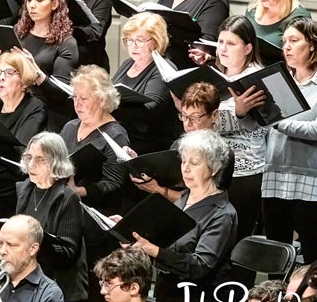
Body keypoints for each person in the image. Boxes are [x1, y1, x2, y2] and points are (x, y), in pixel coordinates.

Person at [132, 130, 237, 302]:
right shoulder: (183, 199)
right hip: (169, 293)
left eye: (195, 163)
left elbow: (200, 265)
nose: (186, 168)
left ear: (215, 168)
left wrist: (154, 250)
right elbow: (164, 240)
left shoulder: (222, 213)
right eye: (184, 161)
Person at [60, 64, 133, 302]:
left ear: (101, 99)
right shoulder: (70, 127)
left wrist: (77, 190)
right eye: (75, 98)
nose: (77, 104)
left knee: (92, 294)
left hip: (97, 225)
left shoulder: (116, 133)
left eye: (84, 98)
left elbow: (114, 183)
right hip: (67, 219)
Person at [242, 16, 317, 264]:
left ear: (313, 46)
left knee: (311, 257)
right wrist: (244, 111)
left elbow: (315, 130)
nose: (286, 47)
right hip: (274, 173)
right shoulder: (280, 81)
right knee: (275, 255)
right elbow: (263, 126)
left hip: (308, 177)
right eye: (284, 41)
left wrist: (277, 122)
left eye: (294, 41)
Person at [15, 132, 87, 302]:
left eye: (40, 159)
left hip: (62, 292)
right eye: (29, 157)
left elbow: (67, 252)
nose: (31, 165)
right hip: (30, 286)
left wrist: (35, 241)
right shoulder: (24, 190)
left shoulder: (68, 197)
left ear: (56, 162)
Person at [0, 0, 78, 131]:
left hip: (47, 115)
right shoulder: (18, 33)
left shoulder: (67, 43)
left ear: (55, 4)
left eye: (39, 0)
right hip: (14, 106)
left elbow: (61, 95)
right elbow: (2, 77)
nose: (32, 5)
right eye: (29, 0)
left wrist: (35, 71)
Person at [212, 15, 267, 242]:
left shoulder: (256, 78)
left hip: (245, 172)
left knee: (237, 241)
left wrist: (237, 114)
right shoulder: (216, 75)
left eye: (231, 43)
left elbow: (263, 126)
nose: (223, 49)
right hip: (217, 168)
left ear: (247, 48)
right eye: (221, 42)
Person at [134, 82, 235, 202]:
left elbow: (205, 201)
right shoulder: (177, 145)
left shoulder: (223, 155)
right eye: (184, 116)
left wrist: (160, 191)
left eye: (195, 118)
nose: (188, 124)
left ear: (213, 116)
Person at [0, 51, 46, 218]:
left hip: (13, 183)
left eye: (9, 73)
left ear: (24, 80)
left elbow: (21, 152)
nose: (1, 78)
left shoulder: (34, 107)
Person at [111, 12, 181, 154]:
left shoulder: (164, 69)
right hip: (123, 136)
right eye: (129, 40)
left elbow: (150, 111)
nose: (133, 46)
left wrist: (108, 106)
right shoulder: (128, 63)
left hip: (148, 145)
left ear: (156, 41)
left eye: (140, 40)